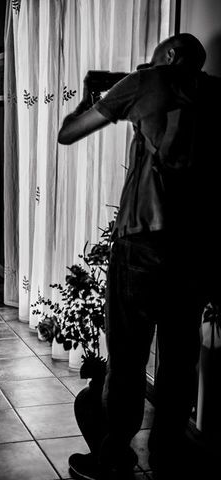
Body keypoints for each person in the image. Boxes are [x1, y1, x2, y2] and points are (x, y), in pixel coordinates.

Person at [58, 33, 221, 480]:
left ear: (170, 55)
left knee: (127, 358)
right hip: (195, 249)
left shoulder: (147, 81)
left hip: (142, 243)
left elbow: (68, 134)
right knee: (179, 357)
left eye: (153, 56)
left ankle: (113, 458)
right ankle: (168, 454)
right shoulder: (215, 92)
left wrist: (92, 95)